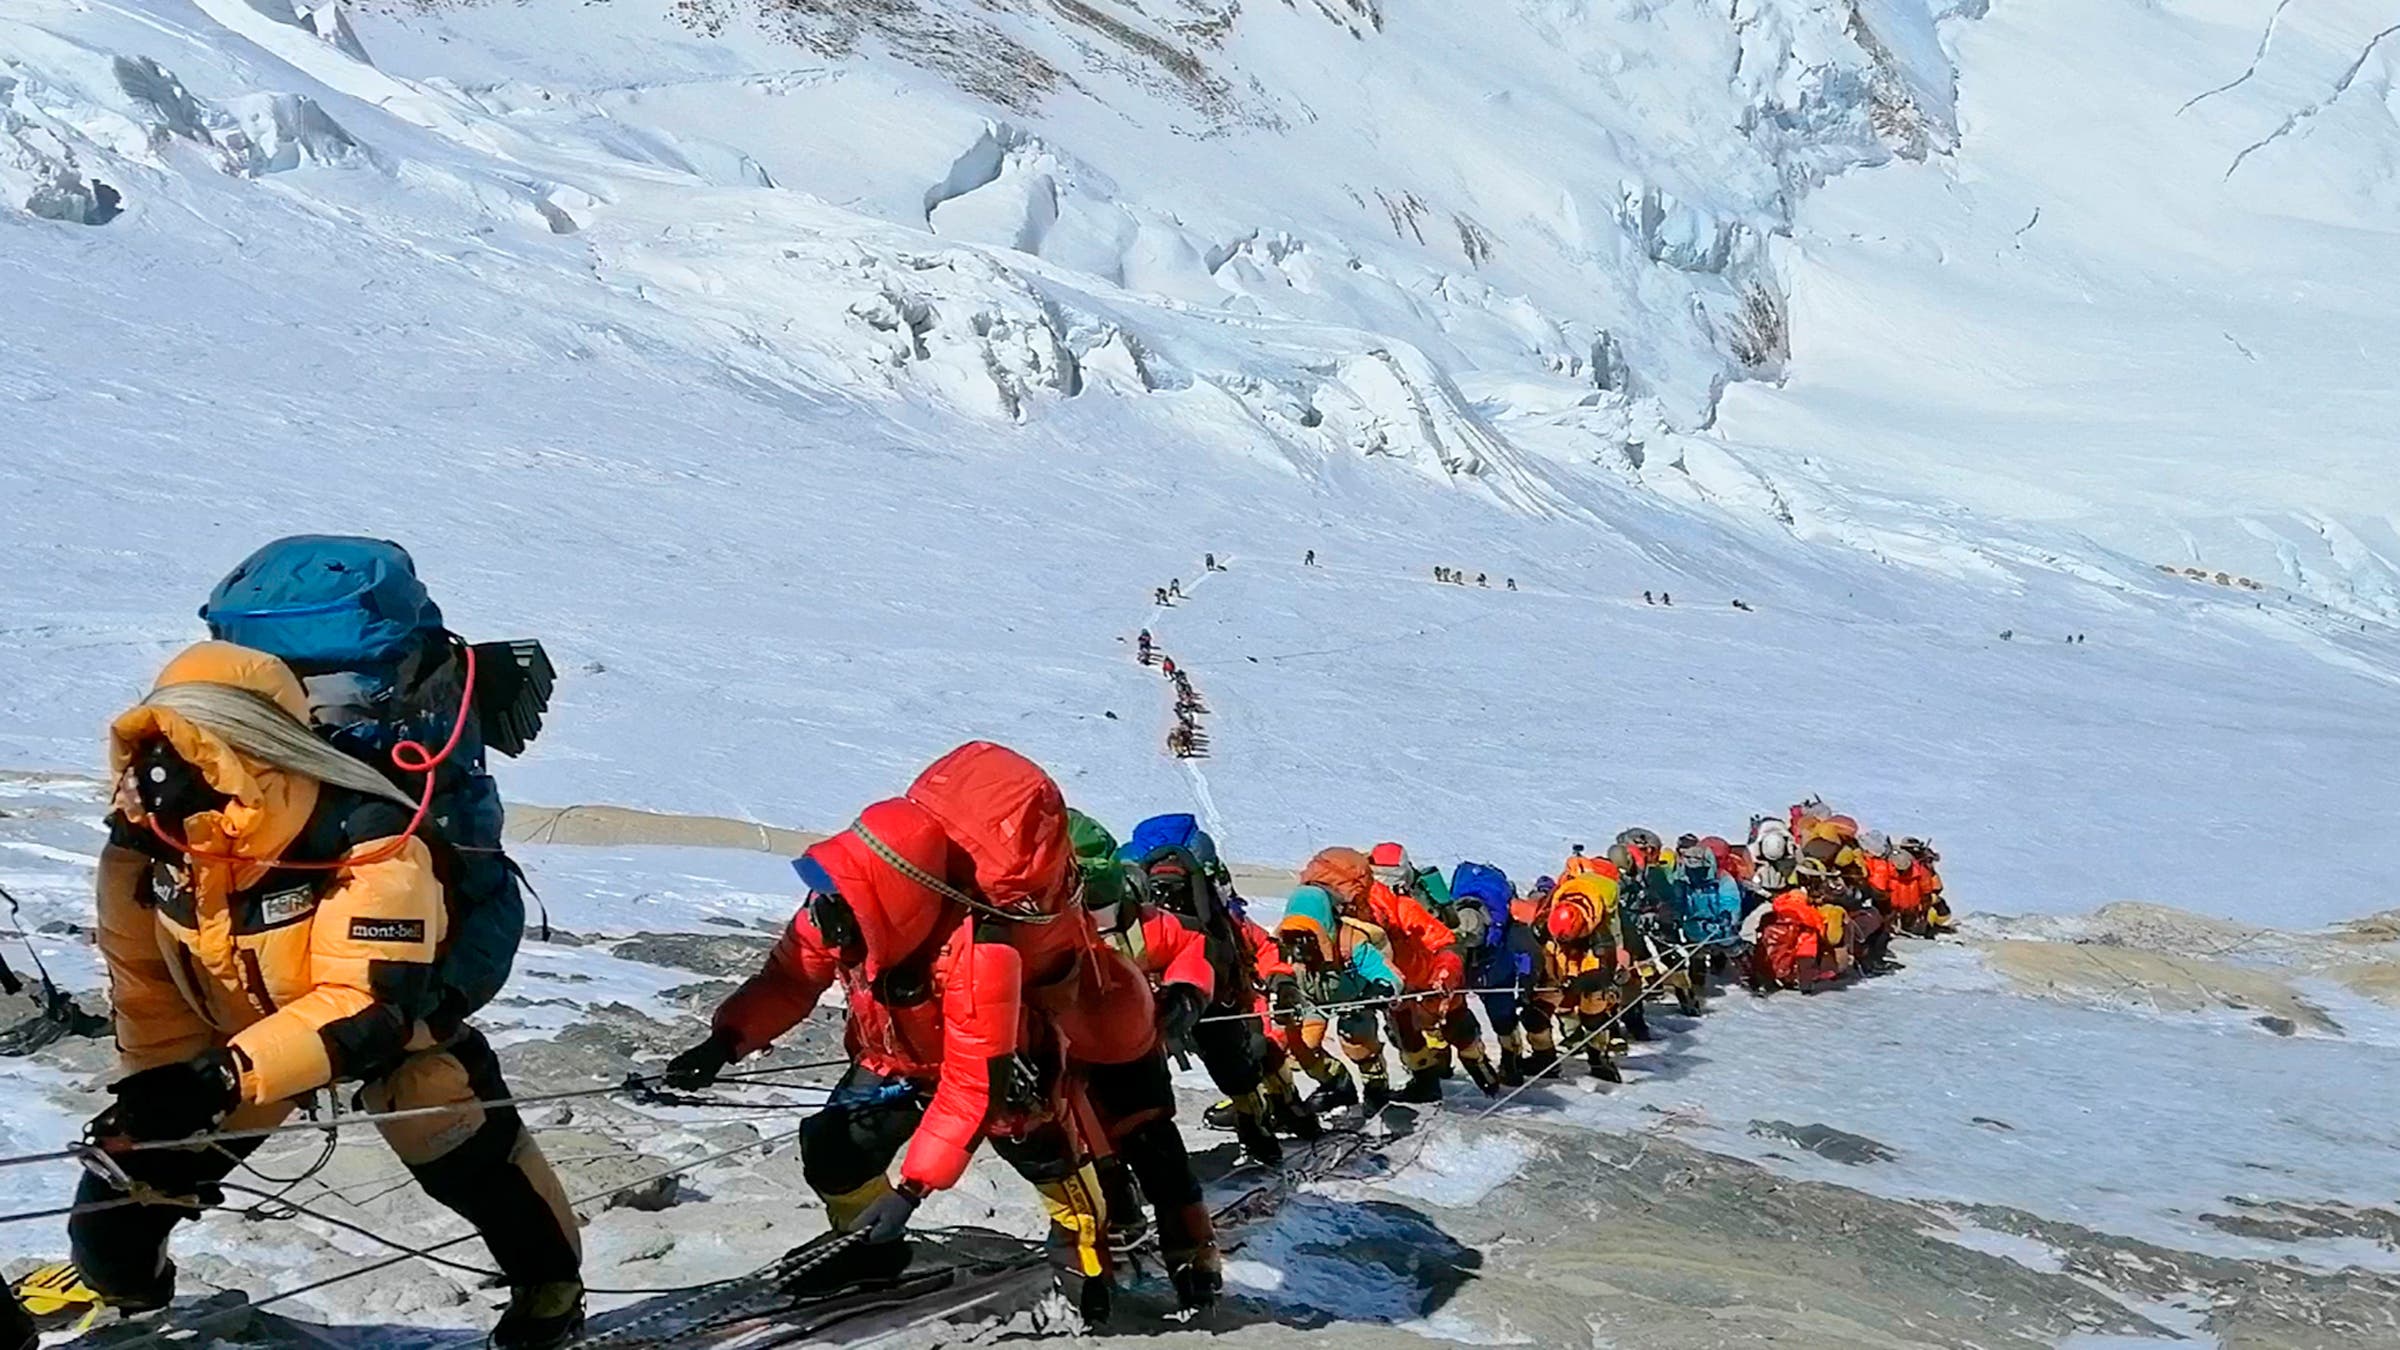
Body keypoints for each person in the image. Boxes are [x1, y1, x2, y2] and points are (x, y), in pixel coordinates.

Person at [13, 644, 583, 1348]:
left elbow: (368, 1004)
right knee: (114, 1216)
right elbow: (145, 975)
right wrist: (159, 1081)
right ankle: (134, 1300)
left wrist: (222, 1078)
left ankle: (551, 1294)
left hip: (392, 1034)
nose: (156, 768)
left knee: (475, 1169)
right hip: (243, 1044)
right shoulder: (157, 840)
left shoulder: (368, 834)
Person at [667, 743, 1204, 1319]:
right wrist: (725, 1041)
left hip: (1009, 1080)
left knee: (1063, 1189)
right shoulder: (840, 909)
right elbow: (789, 980)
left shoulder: (978, 957)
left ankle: (1093, 1271)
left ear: (884, 896)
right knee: (833, 1152)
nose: (821, 909)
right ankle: (870, 1250)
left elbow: (973, 1087)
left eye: (837, 897)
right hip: (892, 1061)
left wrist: (912, 1191)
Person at [1116, 815, 1317, 1161]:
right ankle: (1263, 1123)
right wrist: (1280, 978)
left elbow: (1258, 947)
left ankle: (1267, 1115)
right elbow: (1257, 945)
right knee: (1246, 1060)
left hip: (1164, 1008)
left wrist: (1280, 978)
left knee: (1248, 1055)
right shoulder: (1219, 919)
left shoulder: (1142, 923)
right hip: (1214, 1004)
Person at [1307, 847, 1464, 1102]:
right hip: (1378, 972)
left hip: (1396, 973)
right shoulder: (1347, 899)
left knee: (1400, 1026)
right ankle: (1395, 1086)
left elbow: (1440, 939)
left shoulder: (1386, 902)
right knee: (1373, 1029)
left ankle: (1405, 1084)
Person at [1271, 882, 1404, 1112]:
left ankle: (1376, 1088)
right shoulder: (1284, 947)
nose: (1300, 945)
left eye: (1307, 934)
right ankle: (1337, 1083)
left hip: (1354, 999)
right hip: (1310, 1000)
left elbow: (1387, 973)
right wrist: (1283, 993)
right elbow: (1272, 969)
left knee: (1358, 1041)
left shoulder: (1350, 942)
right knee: (1302, 1046)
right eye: (1294, 936)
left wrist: (1383, 988)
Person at [1523, 872, 1626, 1082]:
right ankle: (1544, 1058)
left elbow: (1604, 972)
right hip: (1557, 970)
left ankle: (1598, 1059)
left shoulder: (1601, 935)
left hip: (1588, 975)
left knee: (1593, 1017)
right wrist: (1532, 979)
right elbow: (1536, 951)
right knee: (1535, 1015)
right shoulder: (1545, 921)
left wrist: (1578, 985)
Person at [1449, 862, 1530, 1085]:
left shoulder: (1505, 923)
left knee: (1502, 1017)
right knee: (1461, 1017)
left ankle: (1511, 1061)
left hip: (1495, 971)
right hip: (1487, 970)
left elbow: (1525, 950)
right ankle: (1494, 1061)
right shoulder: (1453, 922)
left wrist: (1526, 981)